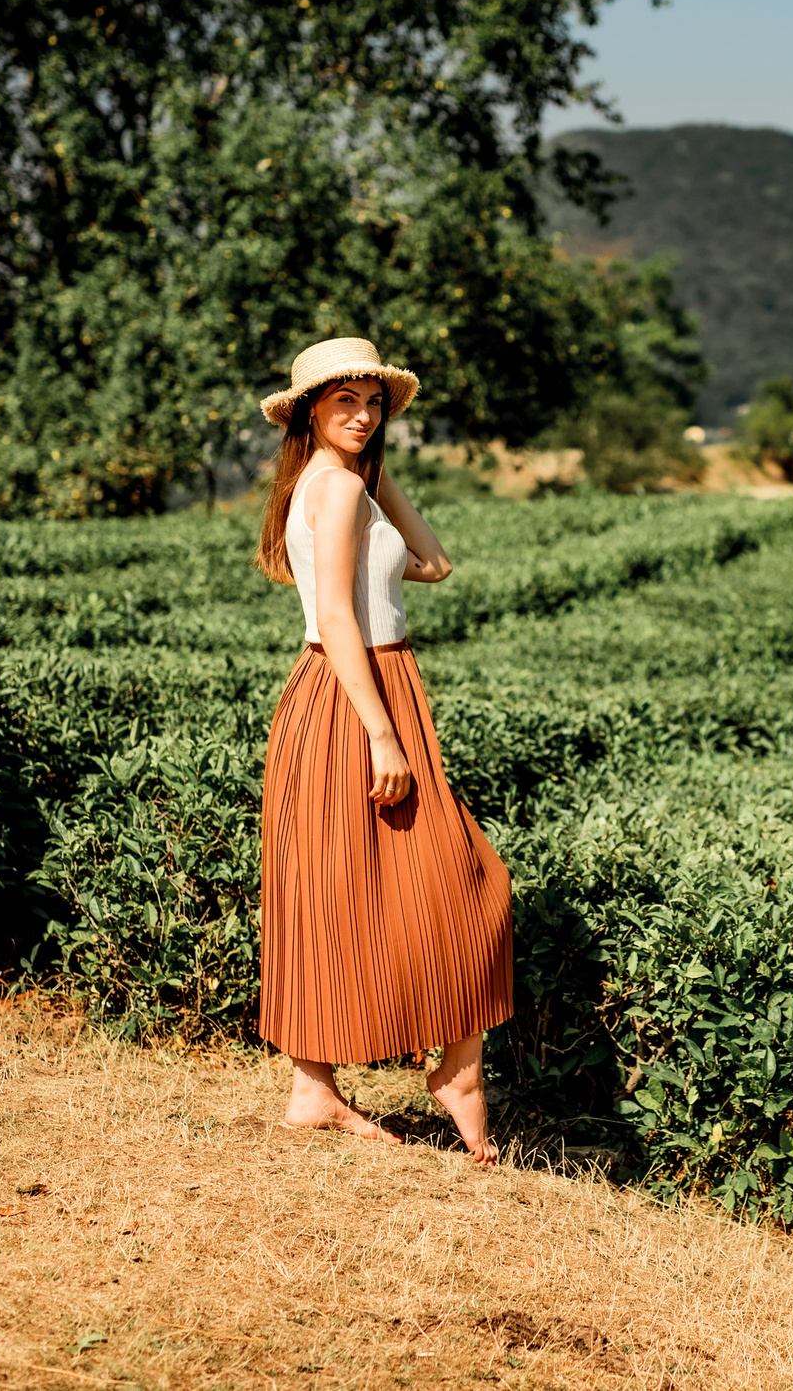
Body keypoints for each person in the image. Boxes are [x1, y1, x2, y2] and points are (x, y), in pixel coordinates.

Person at [251, 337, 513, 1162]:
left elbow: (433, 562)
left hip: (370, 688)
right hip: (353, 693)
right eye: (344, 404)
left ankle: (321, 1087)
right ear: (308, 414)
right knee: (464, 879)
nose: (363, 416)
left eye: (374, 403)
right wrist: (380, 732)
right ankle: (445, 1073)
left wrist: (374, 468)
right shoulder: (328, 490)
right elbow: (335, 618)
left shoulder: (339, 483)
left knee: (341, 880)